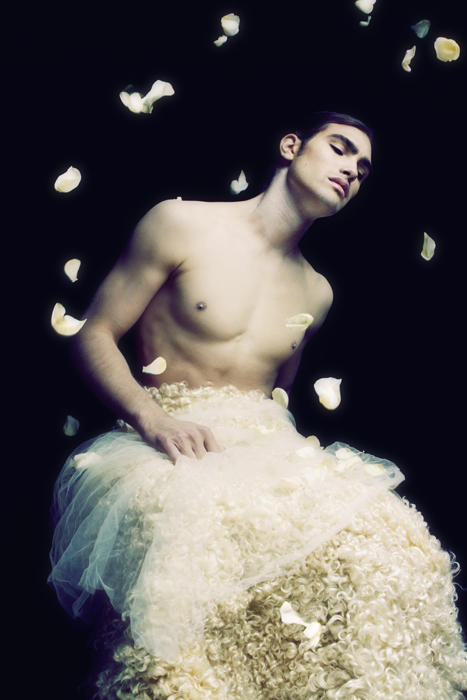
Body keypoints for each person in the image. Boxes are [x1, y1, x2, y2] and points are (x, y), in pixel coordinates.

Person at [48, 112, 467, 699]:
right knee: (199, 559)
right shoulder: (181, 222)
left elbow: (277, 400)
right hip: (165, 432)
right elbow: (92, 334)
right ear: (291, 146)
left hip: (266, 447)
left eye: (363, 168)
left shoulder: (316, 291)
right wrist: (152, 417)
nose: (352, 170)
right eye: (340, 148)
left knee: (399, 549)